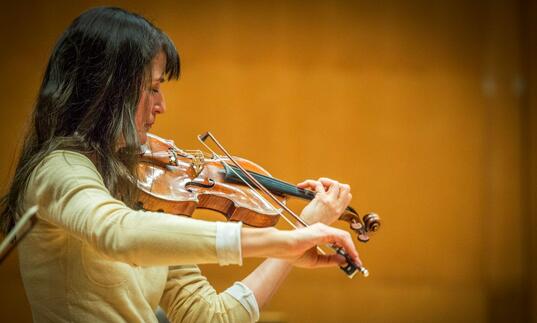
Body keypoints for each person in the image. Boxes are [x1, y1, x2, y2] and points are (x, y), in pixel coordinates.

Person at [0, 7, 359, 322]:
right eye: (152, 88)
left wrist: (299, 237)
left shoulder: (141, 186)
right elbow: (119, 233)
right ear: (108, 88)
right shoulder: (58, 168)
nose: (162, 105)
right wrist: (277, 240)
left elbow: (210, 317)